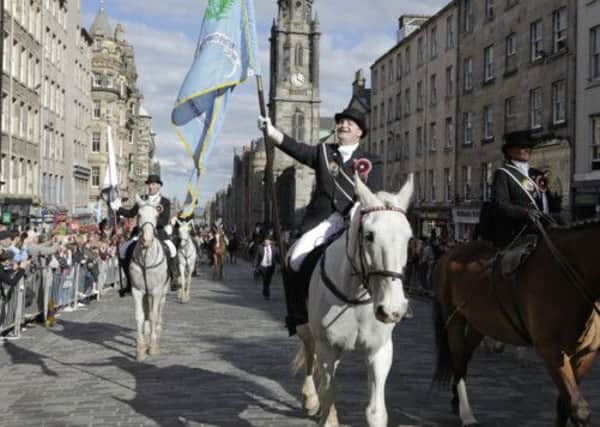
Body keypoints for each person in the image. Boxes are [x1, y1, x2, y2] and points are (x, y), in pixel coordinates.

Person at [258, 107, 383, 335]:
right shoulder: (324, 152)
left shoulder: (371, 160)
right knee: (294, 260)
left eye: (350, 123)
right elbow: (297, 149)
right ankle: (299, 316)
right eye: (341, 122)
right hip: (323, 222)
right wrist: (272, 132)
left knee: (383, 259)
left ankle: (392, 303)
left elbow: (374, 194)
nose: (344, 125)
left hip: (355, 222)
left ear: (360, 133)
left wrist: (358, 209)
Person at [490, 130, 562, 248]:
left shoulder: (537, 174)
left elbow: (547, 201)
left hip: (547, 229)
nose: (527, 149)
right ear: (509, 151)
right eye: (522, 147)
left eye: (529, 147)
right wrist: (526, 212)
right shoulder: (503, 174)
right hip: (520, 232)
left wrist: (556, 199)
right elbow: (500, 204)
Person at [110, 174, 181, 291]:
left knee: (172, 249)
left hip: (158, 231)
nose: (150, 187)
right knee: (123, 250)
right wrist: (118, 209)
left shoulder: (165, 201)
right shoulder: (141, 199)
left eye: (153, 184)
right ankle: (129, 281)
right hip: (140, 232)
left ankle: (174, 278)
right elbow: (131, 213)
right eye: (149, 184)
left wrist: (150, 224)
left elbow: (164, 219)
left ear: (159, 186)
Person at [254, 233, 279, 300]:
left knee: (268, 281)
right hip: (262, 266)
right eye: (265, 241)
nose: (265, 242)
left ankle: (265, 290)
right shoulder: (260, 247)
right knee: (265, 280)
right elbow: (257, 257)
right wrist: (255, 265)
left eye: (267, 241)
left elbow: (278, 257)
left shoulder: (274, 248)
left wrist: (280, 264)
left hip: (270, 267)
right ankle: (267, 294)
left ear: (270, 241)